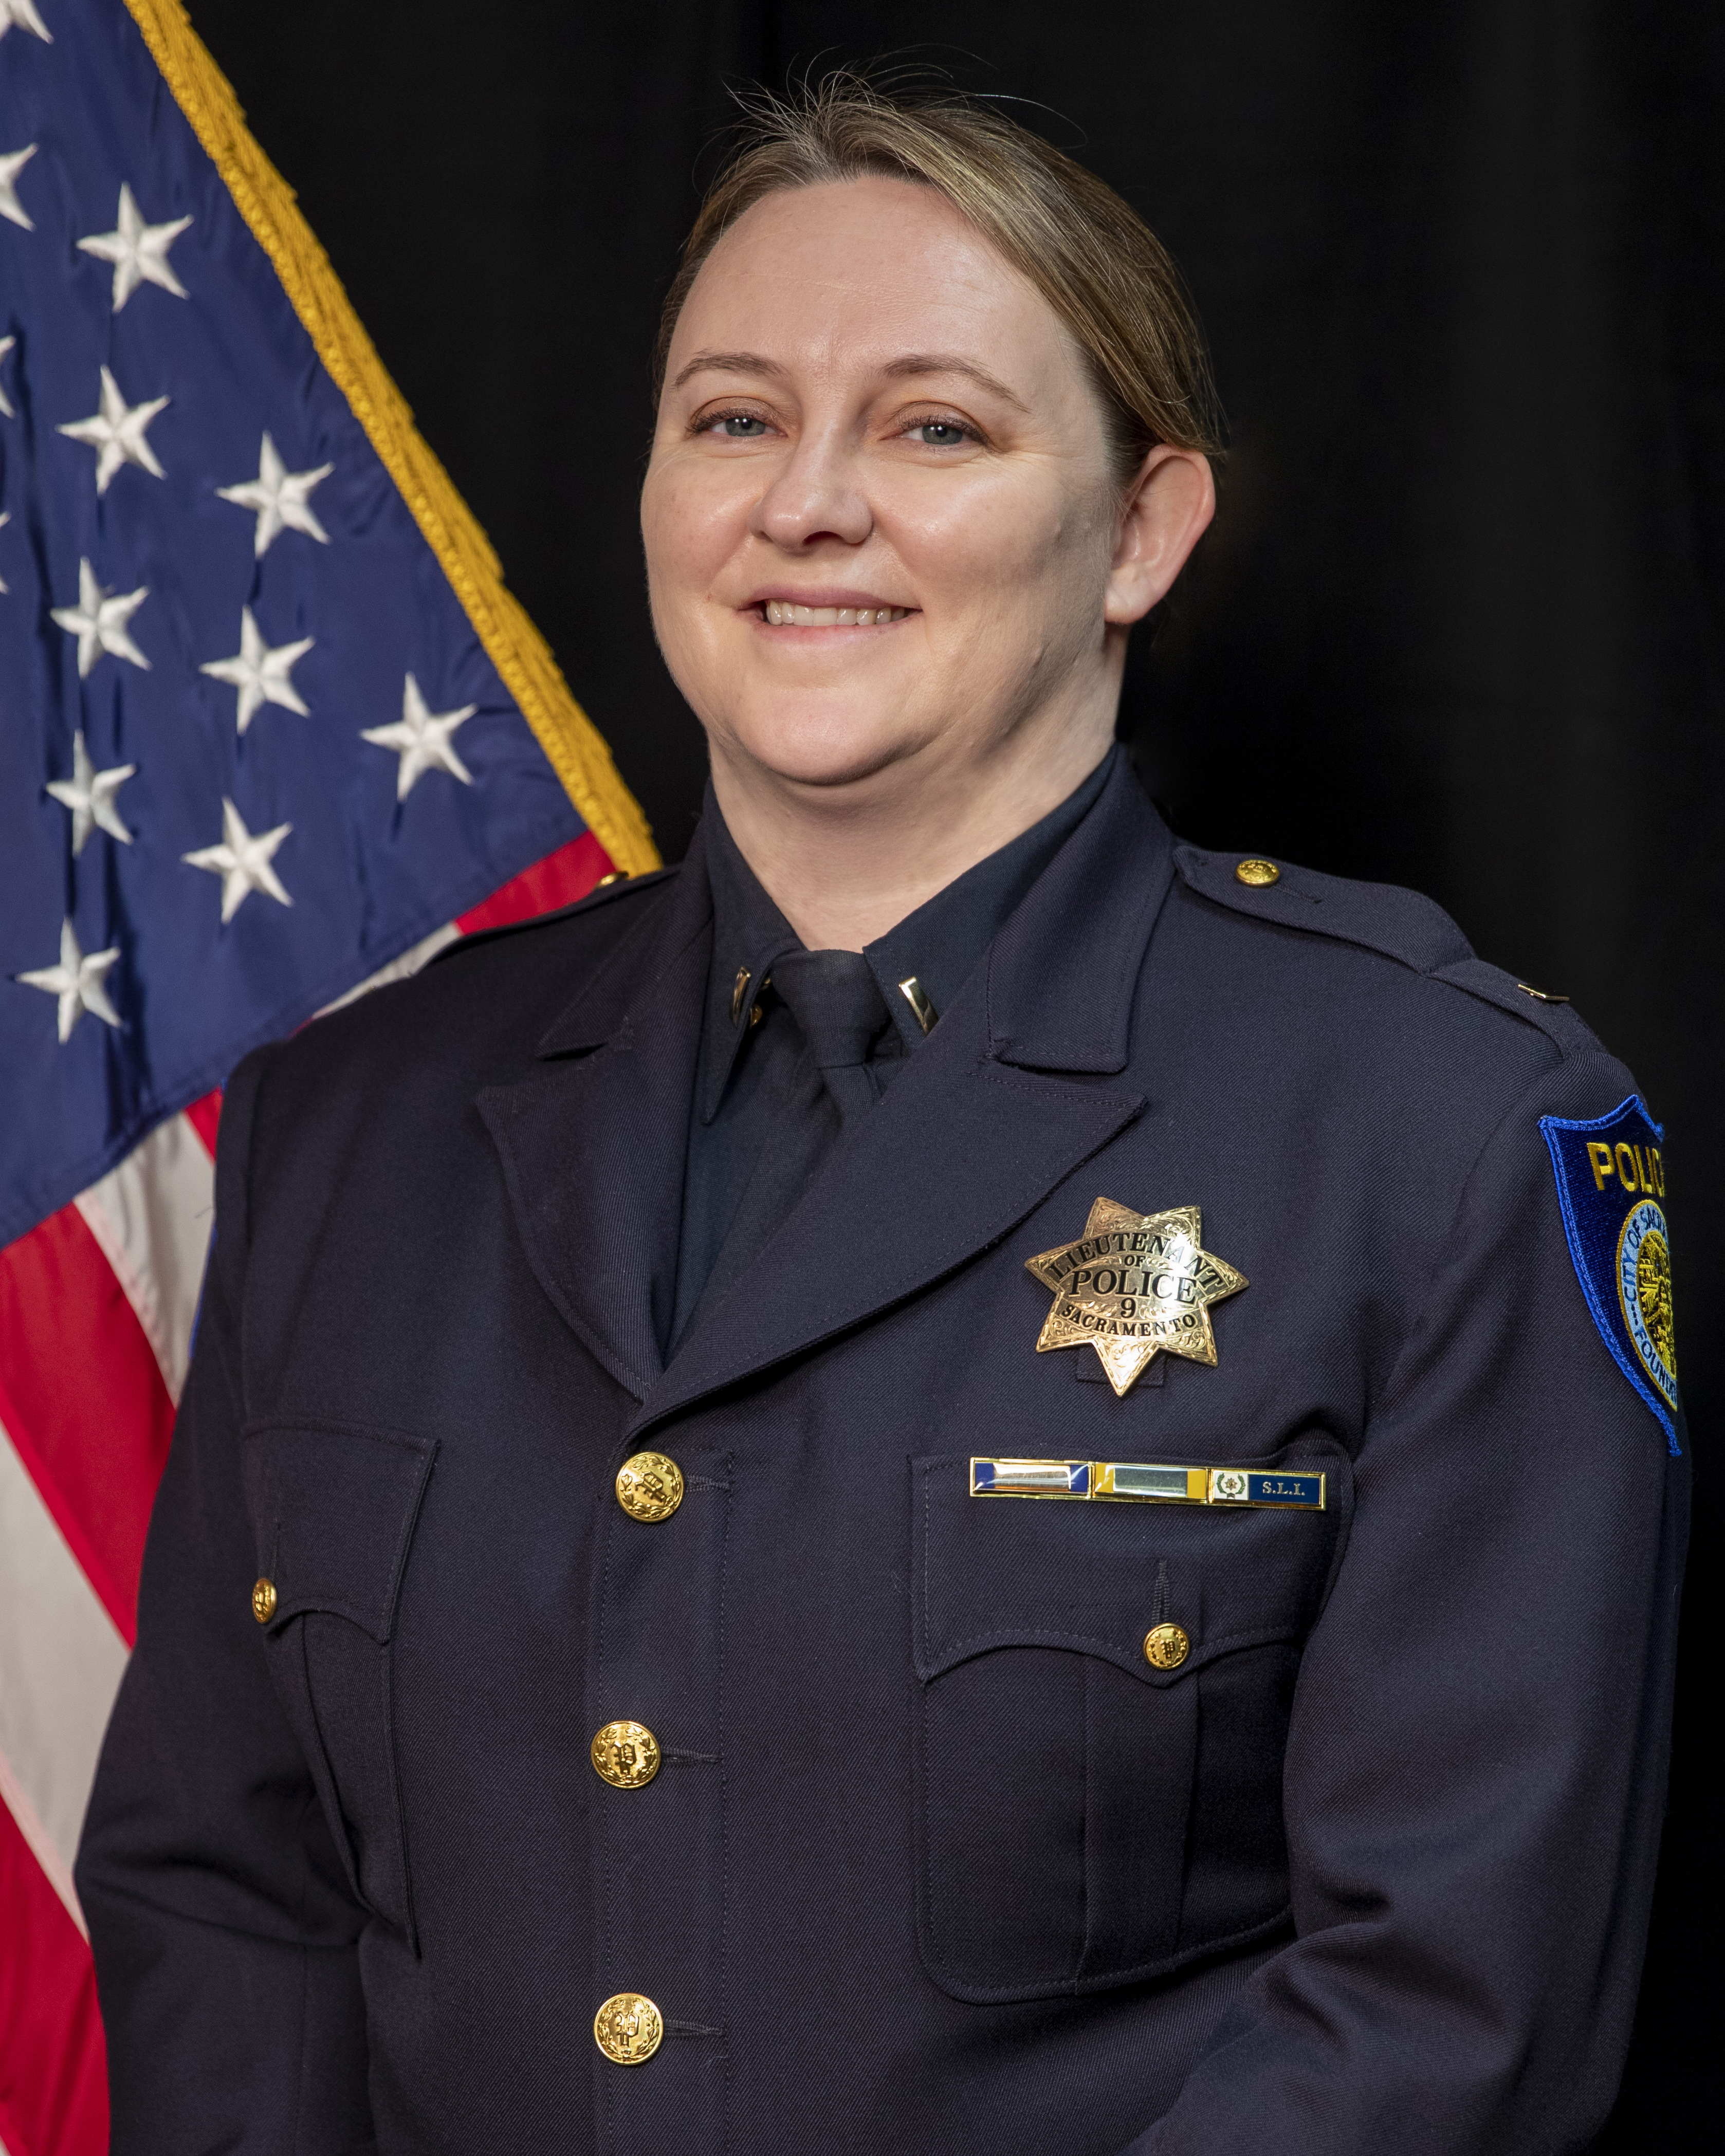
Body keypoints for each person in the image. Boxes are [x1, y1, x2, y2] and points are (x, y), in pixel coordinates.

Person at [78, 75, 1686, 2156]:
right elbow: (235, 1900)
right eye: (733, 417)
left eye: (932, 426)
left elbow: (1439, 2013)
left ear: (1138, 528)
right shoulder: (353, 1123)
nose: (805, 503)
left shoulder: (1436, 1134)